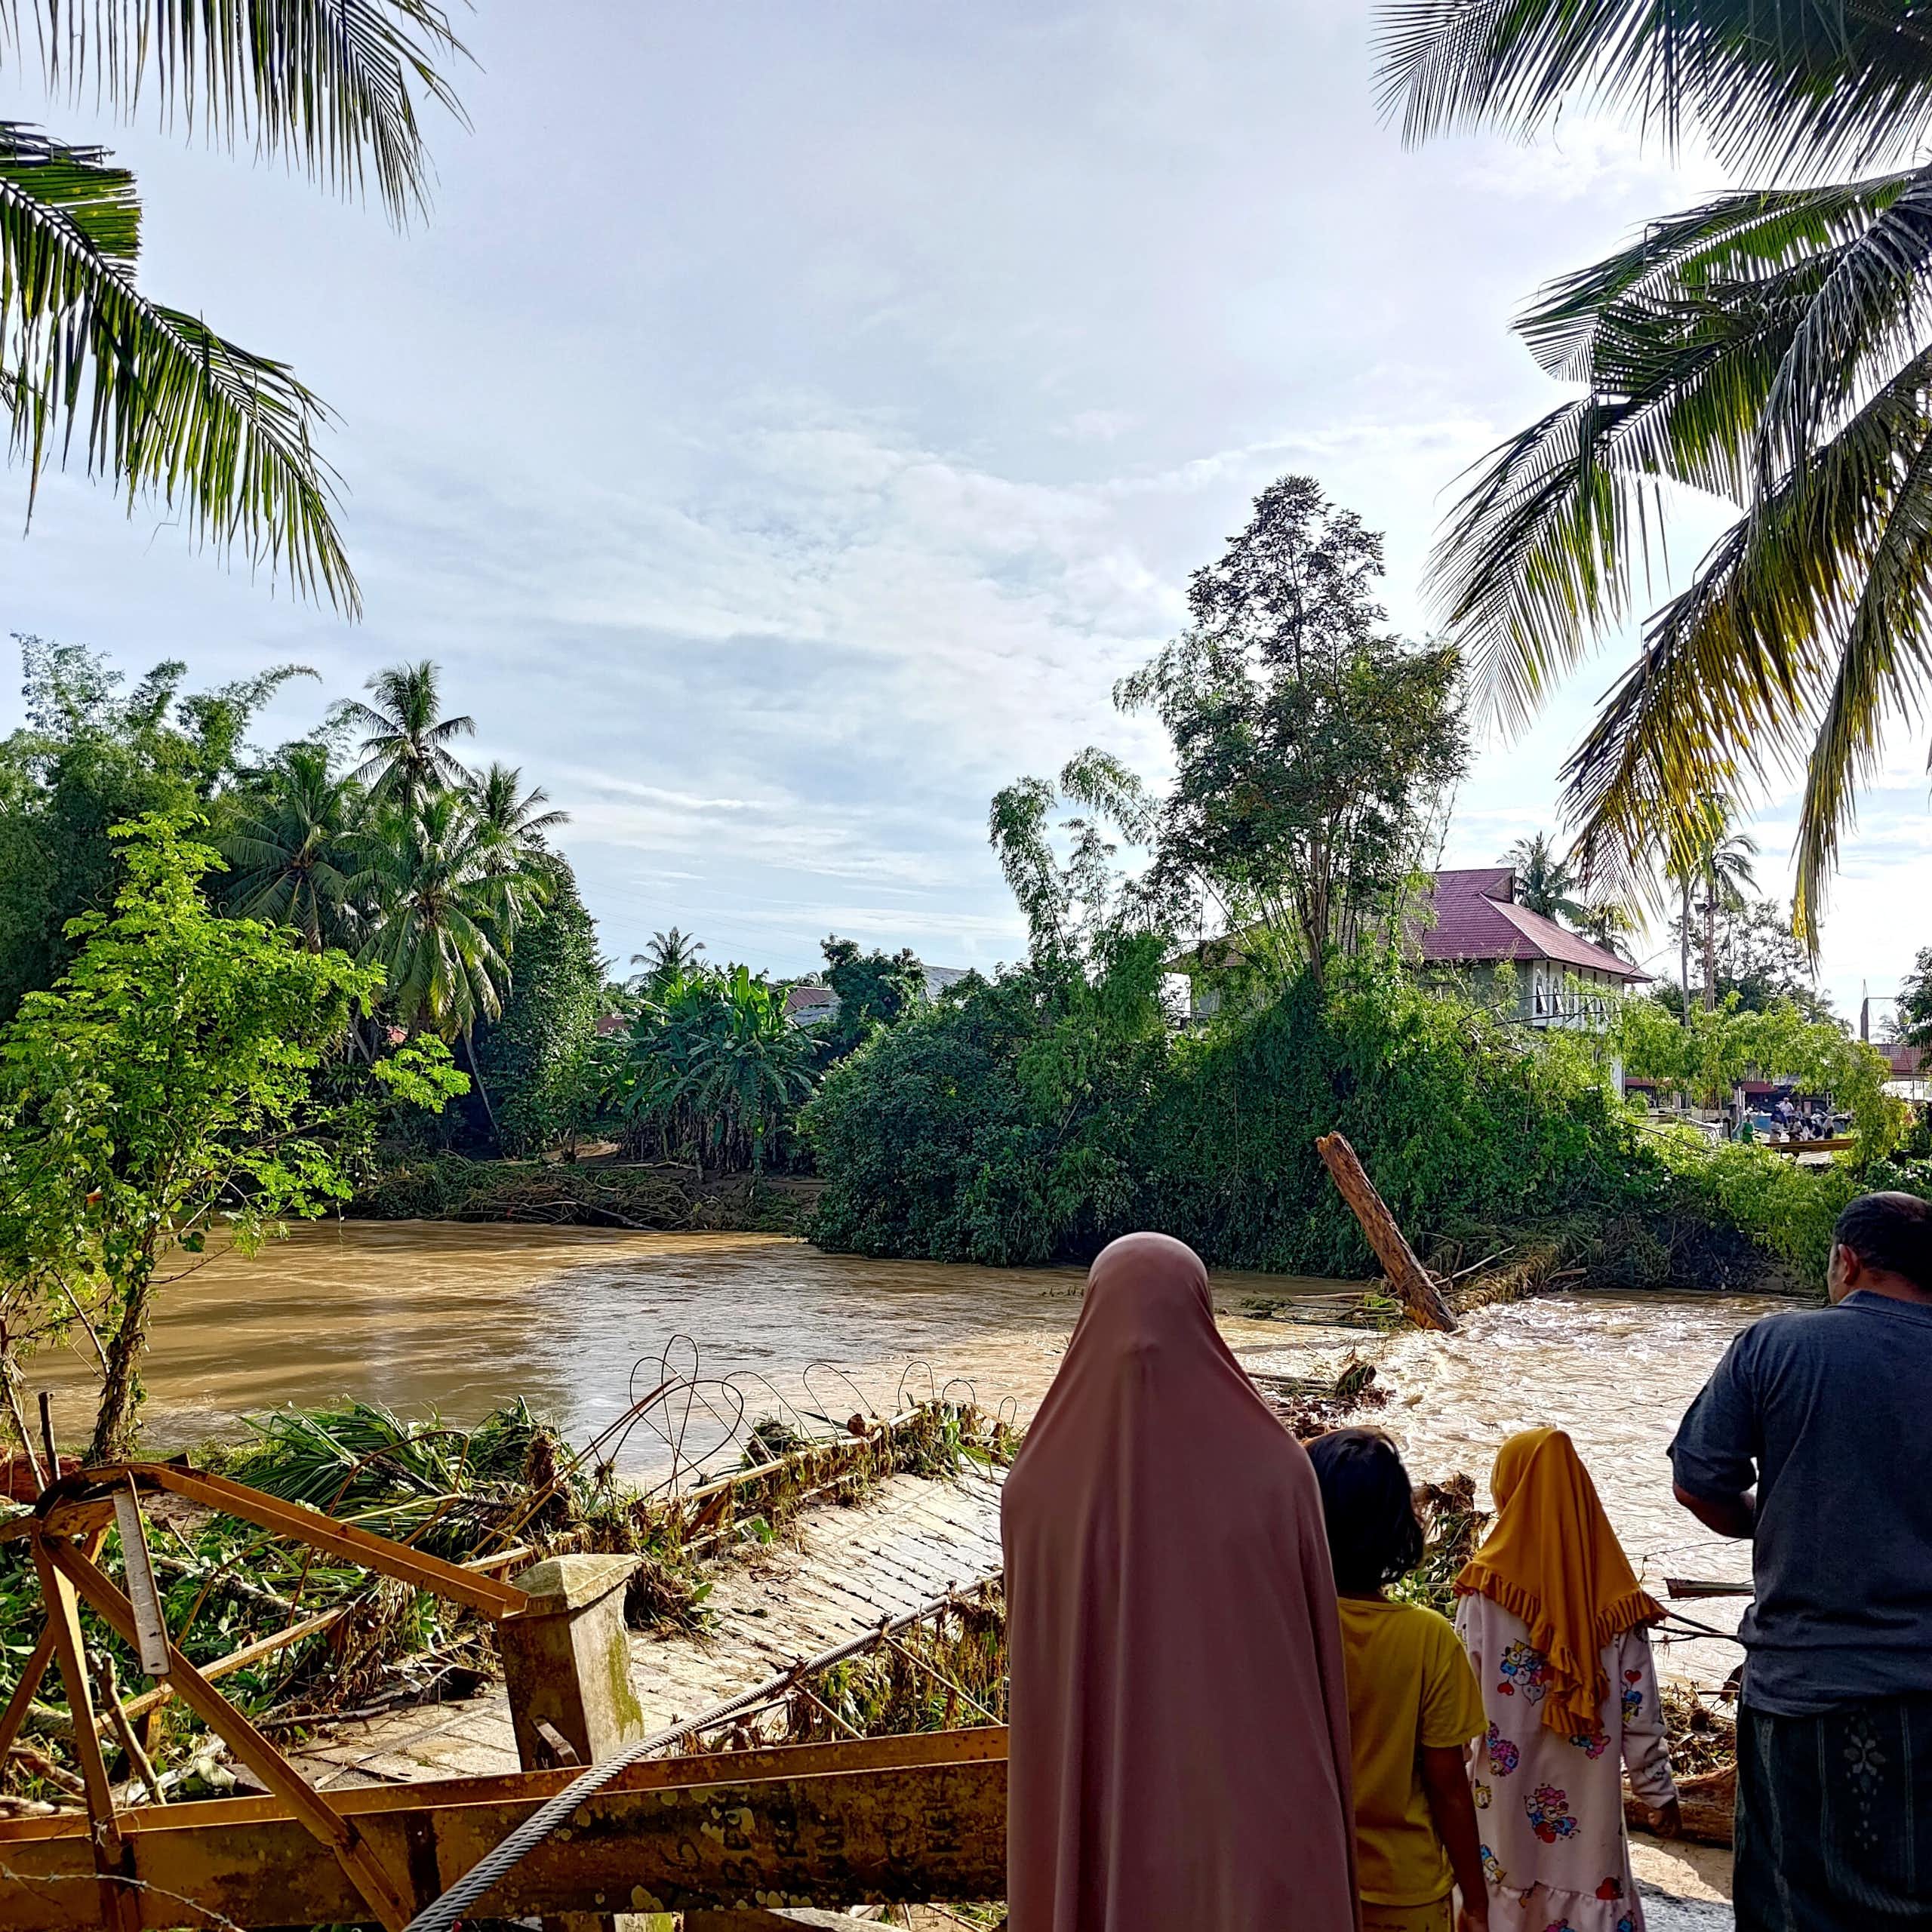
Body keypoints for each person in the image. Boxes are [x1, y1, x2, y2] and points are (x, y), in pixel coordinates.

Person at [1001, 1232, 1358, 1932]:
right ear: (1205, 1314)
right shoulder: (1279, 1475)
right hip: (1251, 1829)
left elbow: (1046, 1687)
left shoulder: (1034, 1490)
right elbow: (1315, 1664)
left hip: (1093, 1807)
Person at [1670, 1190, 1932, 1930]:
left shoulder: (1776, 1344)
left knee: (1792, 1902)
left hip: (1806, 1691)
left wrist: (1774, 1520)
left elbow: (1698, 1482)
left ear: (1846, 1261)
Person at [1455, 1429, 1678, 1932]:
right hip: (1588, 1840)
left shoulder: (1483, 1592)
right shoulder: (1618, 1602)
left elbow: (1458, 1714)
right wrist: (1657, 1792)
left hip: (1502, 1819)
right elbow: (1641, 1714)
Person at [1309, 1428, 1489, 1932]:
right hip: (1403, 1890)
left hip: (1305, 1877)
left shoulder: (1283, 1627)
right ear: (1400, 1527)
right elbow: (1448, 1784)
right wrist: (1475, 1901)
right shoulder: (1427, 1639)